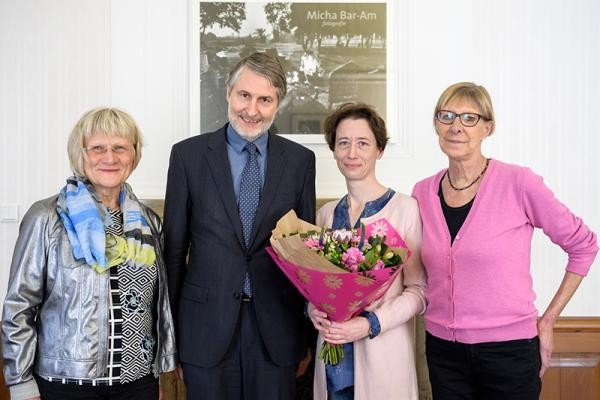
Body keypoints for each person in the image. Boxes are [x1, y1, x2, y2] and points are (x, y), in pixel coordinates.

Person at [412, 82, 598, 399]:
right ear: (436, 124)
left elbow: (584, 245)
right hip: (444, 354)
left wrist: (548, 320)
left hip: (509, 353)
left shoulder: (518, 183)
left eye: (469, 118)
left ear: (488, 127)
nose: (456, 126)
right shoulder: (422, 193)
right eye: (447, 116)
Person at [163, 52, 316, 400]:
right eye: (244, 95)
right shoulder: (187, 156)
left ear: (278, 103)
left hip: (276, 330)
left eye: (265, 99)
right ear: (228, 93)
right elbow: (173, 253)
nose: (252, 109)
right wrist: (170, 340)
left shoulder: (299, 162)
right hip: (204, 330)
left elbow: (306, 256)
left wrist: (306, 336)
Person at [1, 108, 178, 400]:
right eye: (98, 148)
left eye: (120, 147)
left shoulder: (148, 221)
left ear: (133, 155)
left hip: (138, 384)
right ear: (80, 155)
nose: (110, 158)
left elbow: (156, 307)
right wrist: (20, 384)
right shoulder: (47, 217)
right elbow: (19, 306)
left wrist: (155, 375)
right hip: (66, 385)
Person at [307, 103, 427, 400]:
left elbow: (418, 292)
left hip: (383, 357)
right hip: (332, 357)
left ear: (380, 150)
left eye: (363, 143)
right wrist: (313, 310)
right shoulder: (325, 215)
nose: (352, 153)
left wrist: (370, 324)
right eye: (343, 143)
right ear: (333, 149)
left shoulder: (405, 209)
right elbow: (317, 289)